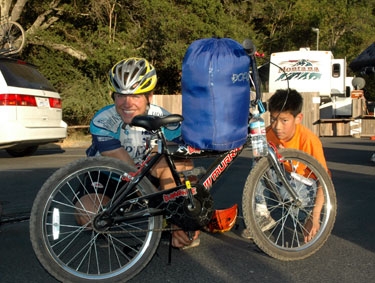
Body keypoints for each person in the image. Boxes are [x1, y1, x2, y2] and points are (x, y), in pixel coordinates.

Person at [75, 57, 200, 249]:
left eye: (136, 96)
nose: (127, 103)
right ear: (113, 96)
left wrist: (183, 213)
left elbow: (185, 167)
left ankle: (170, 221)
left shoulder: (166, 120)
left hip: (147, 176)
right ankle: (121, 221)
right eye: (120, 95)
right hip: (110, 177)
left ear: (149, 97)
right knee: (87, 214)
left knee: (175, 165)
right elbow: (127, 169)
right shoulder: (103, 120)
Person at [242, 88, 329, 243]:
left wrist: (315, 216)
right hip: (283, 177)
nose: (277, 126)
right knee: (259, 162)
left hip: (305, 187)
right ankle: (262, 214)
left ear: (298, 118)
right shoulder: (268, 134)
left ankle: (305, 217)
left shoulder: (309, 140)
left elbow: (325, 181)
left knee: (291, 196)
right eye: (273, 119)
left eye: (284, 120)